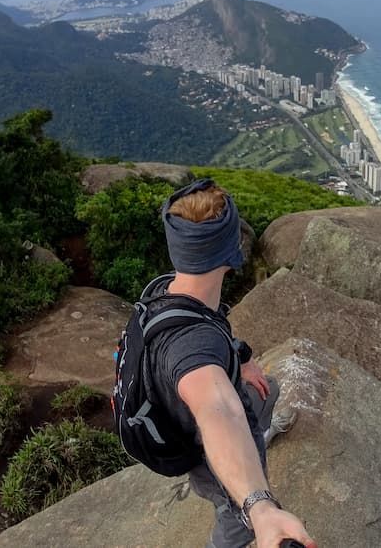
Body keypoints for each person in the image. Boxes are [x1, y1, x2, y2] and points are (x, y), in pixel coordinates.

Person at [147, 178, 316, 548]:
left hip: (181, 409)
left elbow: (212, 324)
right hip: (200, 444)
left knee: (266, 392)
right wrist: (260, 506)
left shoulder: (165, 292)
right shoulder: (193, 349)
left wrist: (240, 358)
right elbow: (219, 408)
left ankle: (259, 441)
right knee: (235, 518)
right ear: (229, 252)